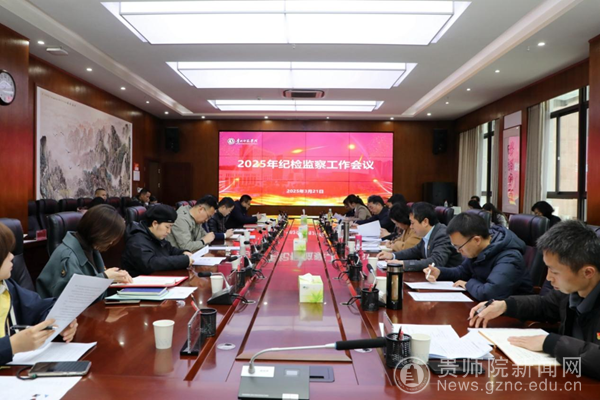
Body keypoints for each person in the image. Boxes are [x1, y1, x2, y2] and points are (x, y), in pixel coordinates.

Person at [469, 220, 600, 380]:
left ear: (588, 272)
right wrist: (505, 305)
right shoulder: (572, 290)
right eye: (547, 268)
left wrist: (550, 342)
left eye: (554, 272)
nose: (548, 278)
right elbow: (545, 305)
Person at [0, 222, 77, 366]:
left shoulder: (5, 286)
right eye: (5, 253)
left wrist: (62, 321)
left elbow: (39, 307)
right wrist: (11, 345)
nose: (12, 256)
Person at [424, 213, 532, 301]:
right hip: (482, 307)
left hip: (510, 315)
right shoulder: (478, 249)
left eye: (459, 247)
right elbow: (462, 272)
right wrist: (440, 272)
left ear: (477, 240)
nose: (458, 251)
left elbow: (490, 293)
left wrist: (468, 284)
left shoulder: (509, 257)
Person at [37, 205, 132, 300]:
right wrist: (105, 277)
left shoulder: (91, 248)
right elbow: (71, 298)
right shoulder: (67, 256)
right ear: (97, 230)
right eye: (109, 237)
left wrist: (115, 278)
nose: (111, 243)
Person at [378, 202, 463, 271]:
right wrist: (392, 255)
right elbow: (414, 251)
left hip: (449, 282)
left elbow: (436, 261)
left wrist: (404, 264)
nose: (411, 227)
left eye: (412, 223)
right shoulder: (428, 234)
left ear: (425, 222)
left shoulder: (442, 234)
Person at [121, 204, 194, 277]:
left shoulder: (155, 235)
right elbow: (150, 263)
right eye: (167, 227)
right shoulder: (137, 240)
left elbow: (169, 249)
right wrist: (184, 260)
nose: (169, 231)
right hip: (140, 281)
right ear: (155, 224)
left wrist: (183, 252)